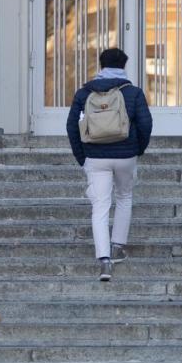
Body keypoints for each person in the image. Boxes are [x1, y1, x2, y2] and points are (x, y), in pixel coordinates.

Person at [66, 48, 153, 282]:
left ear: (101, 65)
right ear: (123, 65)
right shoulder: (132, 92)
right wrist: (138, 148)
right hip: (126, 154)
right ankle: (117, 248)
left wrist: (81, 157)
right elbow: (145, 124)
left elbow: (72, 127)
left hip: (95, 156)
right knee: (124, 197)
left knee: (100, 206)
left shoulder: (85, 93)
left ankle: (104, 261)